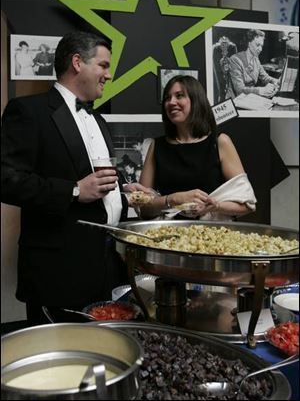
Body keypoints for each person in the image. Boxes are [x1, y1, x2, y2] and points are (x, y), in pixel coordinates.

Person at [1, 31, 149, 326]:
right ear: (77, 62)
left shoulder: (99, 120)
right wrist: (72, 190)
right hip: (57, 273)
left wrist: (124, 190)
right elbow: (6, 179)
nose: (108, 74)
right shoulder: (29, 111)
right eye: (104, 65)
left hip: (107, 268)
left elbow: (99, 183)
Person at [139, 75, 257, 220]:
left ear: (196, 101)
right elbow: (143, 208)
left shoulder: (220, 142)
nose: (171, 102)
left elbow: (246, 204)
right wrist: (172, 199)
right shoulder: (156, 146)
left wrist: (216, 206)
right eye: (167, 98)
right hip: (167, 238)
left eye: (179, 96)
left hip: (213, 238)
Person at [226, 29, 280, 99]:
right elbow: (239, 89)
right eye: (257, 45)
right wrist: (261, 90)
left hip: (250, 98)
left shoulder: (256, 59)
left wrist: (276, 81)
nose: (260, 49)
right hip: (236, 99)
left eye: (261, 46)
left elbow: (265, 77)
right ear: (249, 43)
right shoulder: (235, 60)